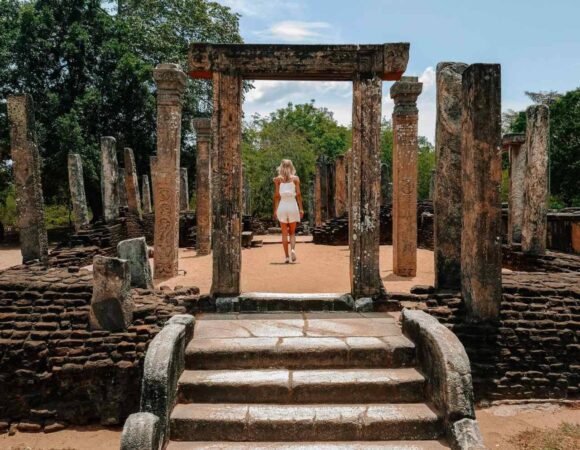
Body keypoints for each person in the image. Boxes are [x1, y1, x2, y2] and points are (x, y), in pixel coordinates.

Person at [273, 159, 304, 263]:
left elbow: (277, 196)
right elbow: (298, 195)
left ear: (281, 167)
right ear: (291, 167)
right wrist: (301, 208)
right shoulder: (295, 179)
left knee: (284, 233)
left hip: (282, 205)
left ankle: (286, 257)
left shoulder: (277, 180)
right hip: (292, 205)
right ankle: (293, 250)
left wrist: (275, 210)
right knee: (292, 232)